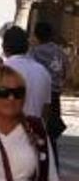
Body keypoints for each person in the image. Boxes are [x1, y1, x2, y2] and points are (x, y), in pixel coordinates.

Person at [30, 21, 69, 165]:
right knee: (51, 134)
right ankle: (54, 166)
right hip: (55, 95)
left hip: (40, 96)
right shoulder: (60, 52)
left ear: (36, 35)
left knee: (38, 131)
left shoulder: (34, 52)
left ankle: (41, 166)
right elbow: (66, 71)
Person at [2, 26, 51, 120]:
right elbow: (45, 110)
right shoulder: (43, 72)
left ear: (4, 47)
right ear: (27, 46)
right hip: (34, 131)